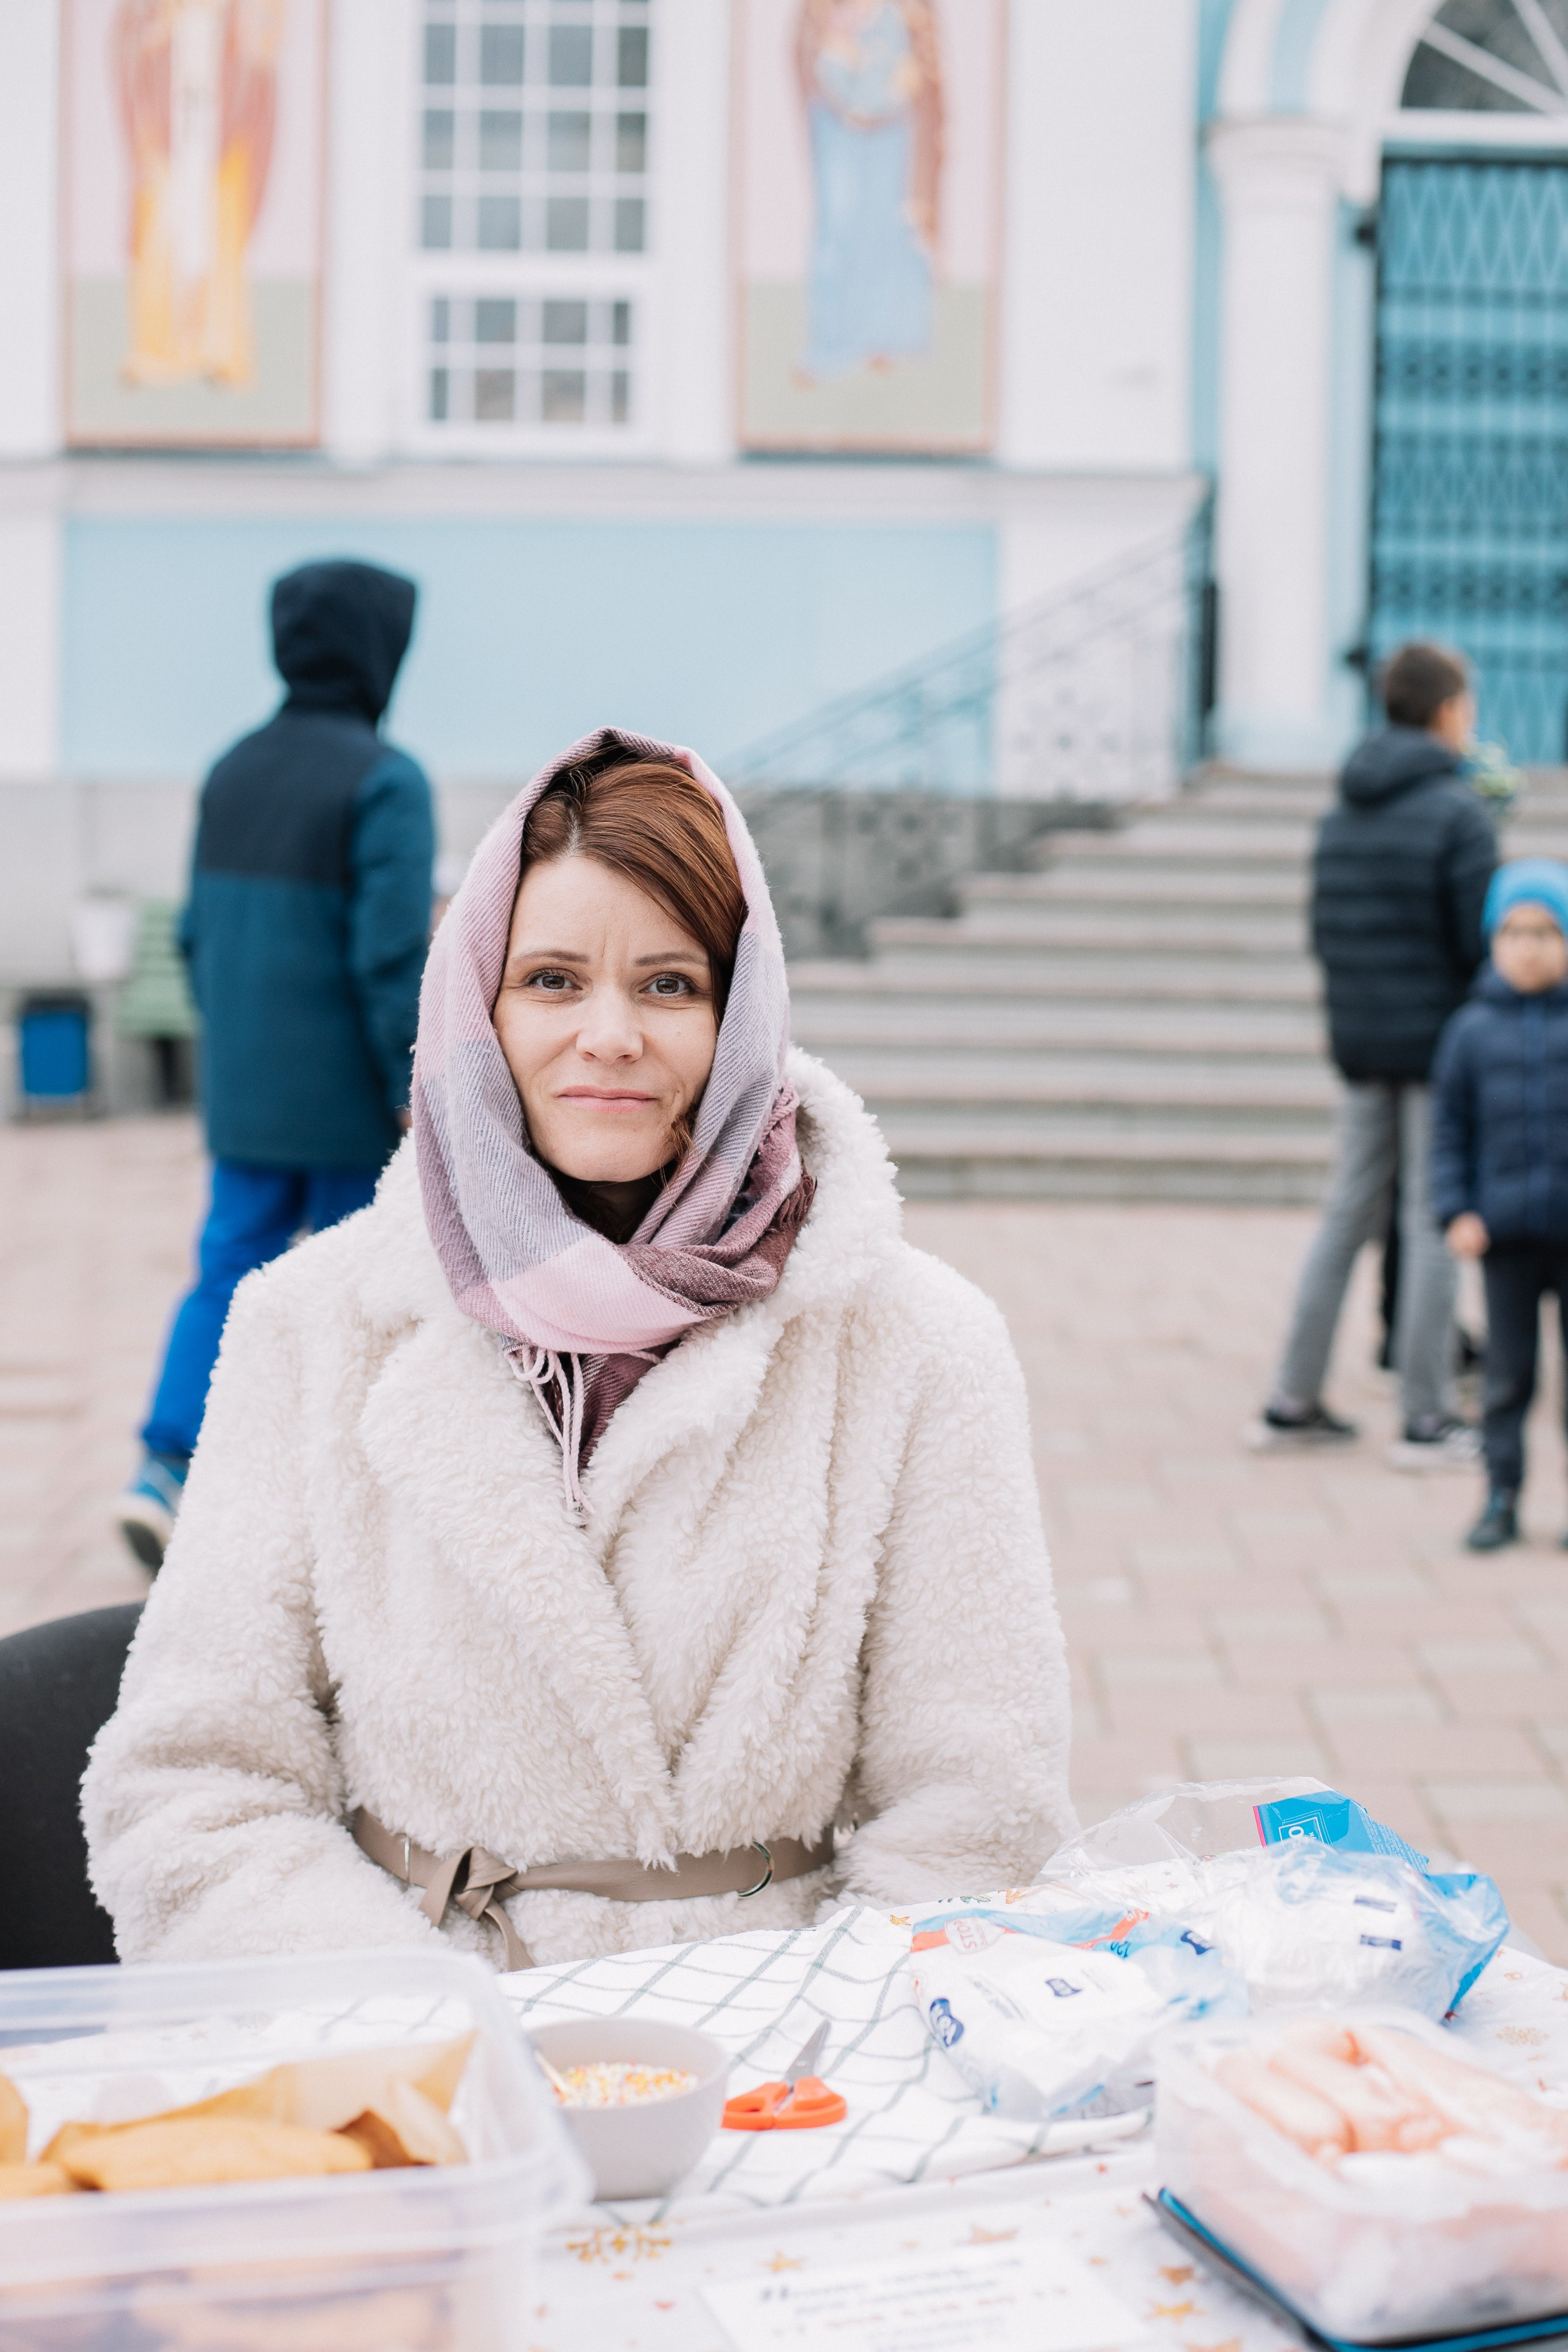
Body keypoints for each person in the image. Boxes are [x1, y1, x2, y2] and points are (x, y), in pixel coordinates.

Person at [83, 732, 1074, 1970]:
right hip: (413, 2035)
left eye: (669, 984)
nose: (608, 1033)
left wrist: (802, 2040)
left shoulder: (914, 1340)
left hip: (781, 2041)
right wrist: (420, 2033)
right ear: (477, 1006)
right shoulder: (313, 1322)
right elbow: (194, 1784)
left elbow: (979, 1812)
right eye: (553, 979)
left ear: (741, 1012)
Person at [115, 559, 434, 1571]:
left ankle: (165, 1471)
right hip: (347, 1103)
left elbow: (199, 936)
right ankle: (332, 1503)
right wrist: (412, 1083)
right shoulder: (386, 779)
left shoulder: (231, 770)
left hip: (247, 1093)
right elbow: (389, 956)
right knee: (355, 1289)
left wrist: (239, 1053)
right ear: (381, 649)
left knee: (229, 1267)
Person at [1249, 641, 1496, 1467]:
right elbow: (1479, 943)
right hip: (1438, 1047)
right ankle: (1426, 1418)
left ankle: (1290, 1400)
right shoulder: (1458, 812)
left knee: (1344, 1216)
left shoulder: (1340, 812)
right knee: (1431, 1219)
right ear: (1445, 711)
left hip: (1359, 1044)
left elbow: (1323, 934)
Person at [1431, 861, 1568, 1552]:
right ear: (1492, 942)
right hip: (1504, 1235)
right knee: (1507, 1377)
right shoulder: (1469, 1031)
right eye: (1514, 933)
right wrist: (1455, 1208)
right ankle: (1500, 1494)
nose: (1529, 947)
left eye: (1545, 933)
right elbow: (1448, 1131)